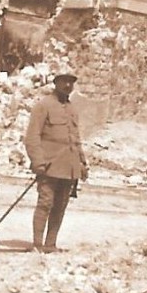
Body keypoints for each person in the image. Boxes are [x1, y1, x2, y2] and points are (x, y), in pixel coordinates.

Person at [24, 69, 89, 253]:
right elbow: (32, 137)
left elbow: (75, 139)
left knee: (60, 206)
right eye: (64, 81)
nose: (68, 85)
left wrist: (82, 163)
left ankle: (50, 244)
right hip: (49, 165)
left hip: (68, 167)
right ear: (56, 83)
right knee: (45, 203)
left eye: (71, 82)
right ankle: (37, 245)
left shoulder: (72, 109)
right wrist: (38, 162)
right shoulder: (43, 106)